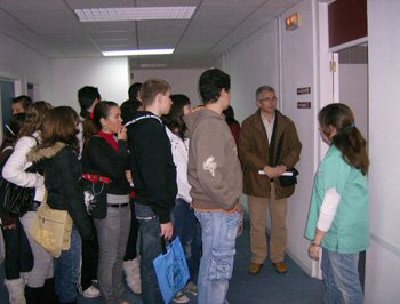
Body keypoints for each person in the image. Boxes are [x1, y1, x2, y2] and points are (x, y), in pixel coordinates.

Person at [183, 69, 242, 304]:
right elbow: (210, 174)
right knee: (218, 269)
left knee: (212, 266)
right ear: (222, 92)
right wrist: (230, 204)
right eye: (229, 91)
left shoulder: (209, 122)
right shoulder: (211, 126)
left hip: (214, 206)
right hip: (218, 207)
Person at [28, 106, 94, 304]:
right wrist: (86, 229)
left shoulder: (50, 151)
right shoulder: (63, 154)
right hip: (66, 219)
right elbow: (71, 195)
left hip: (56, 214)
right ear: (65, 124)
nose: (78, 125)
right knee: (69, 272)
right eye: (75, 121)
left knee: (62, 269)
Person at [305, 103, 369, 304]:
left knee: (348, 287)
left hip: (340, 234)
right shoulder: (349, 151)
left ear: (331, 128)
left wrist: (316, 242)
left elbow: (330, 203)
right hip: (340, 232)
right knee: (332, 279)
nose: (319, 130)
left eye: (321, 125)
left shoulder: (336, 158)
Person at [238, 85, 302, 275]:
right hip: (258, 181)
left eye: (273, 98)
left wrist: (283, 166)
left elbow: (295, 148)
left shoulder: (286, 123)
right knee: (257, 223)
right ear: (258, 102)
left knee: (280, 222)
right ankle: (257, 257)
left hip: (280, 182)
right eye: (267, 99)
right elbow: (244, 151)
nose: (271, 102)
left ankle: (278, 257)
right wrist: (264, 167)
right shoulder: (248, 124)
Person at [126, 79, 177, 304]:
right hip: (154, 208)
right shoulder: (151, 128)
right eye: (169, 96)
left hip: (148, 203)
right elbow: (155, 176)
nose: (171, 101)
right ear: (158, 98)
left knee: (152, 262)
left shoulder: (140, 125)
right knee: (154, 264)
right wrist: (164, 216)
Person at [2, 101, 55, 304]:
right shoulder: (28, 142)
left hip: (41, 207)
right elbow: (8, 172)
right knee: (42, 261)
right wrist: (37, 180)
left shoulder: (40, 140)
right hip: (32, 209)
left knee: (48, 261)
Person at [81, 102, 130, 304]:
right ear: (103, 121)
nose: (121, 120)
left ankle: (118, 294)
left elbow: (127, 167)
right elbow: (115, 170)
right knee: (108, 255)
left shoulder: (118, 140)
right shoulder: (95, 143)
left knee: (120, 254)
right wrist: (124, 144)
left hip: (125, 202)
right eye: (116, 116)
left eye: (121, 116)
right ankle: (109, 298)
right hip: (107, 205)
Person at [162, 94, 200, 304]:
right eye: (188, 109)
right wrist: (191, 196)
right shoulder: (169, 139)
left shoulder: (184, 136)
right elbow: (179, 175)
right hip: (179, 199)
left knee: (188, 241)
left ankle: (187, 280)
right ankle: (176, 286)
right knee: (176, 244)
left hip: (189, 198)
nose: (191, 112)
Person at [0, 113, 33, 304]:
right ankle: (15, 293)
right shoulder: (8, 154)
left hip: (16, 211)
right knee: (13, 251)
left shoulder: (11, 151)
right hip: (9, 213)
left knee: (22, 249)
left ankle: (22, 287)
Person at [77, 85, 101, 298]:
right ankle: (85, 281)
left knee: (92, 234)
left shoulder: (80, 123)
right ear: (96, 99)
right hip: (87, 187)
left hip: (91, 187)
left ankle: (91, 275)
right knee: (87, 234)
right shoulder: (86, 125)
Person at [120, 82, 143, 295]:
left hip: (139, 194)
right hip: (126, 195)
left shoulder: (140, 135)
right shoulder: (124, 139)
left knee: (138, 235)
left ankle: (136, 271)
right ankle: (131, 274)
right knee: (129, 236)